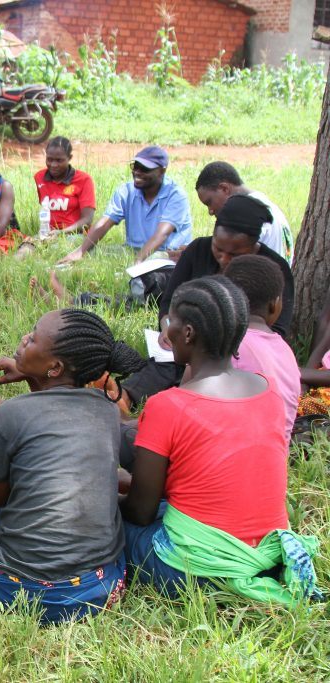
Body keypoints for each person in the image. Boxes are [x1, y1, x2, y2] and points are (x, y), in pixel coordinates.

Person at [120, 276, 322, 605]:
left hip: (195, 573)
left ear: (187, 334)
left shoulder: (167, 406)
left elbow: (140, 513)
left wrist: (108, 499)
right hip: (267, 559)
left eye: (170, 321)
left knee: (107, 522)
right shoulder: (267, 390)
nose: (167, 330)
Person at [0, 309, 145, 625]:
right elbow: (56, 424)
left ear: (55, 367)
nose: (25, 340)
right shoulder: (106, 411)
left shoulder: (9, 415)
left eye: (33, 337)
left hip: (17, 589)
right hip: (99, 588)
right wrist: (34, 377)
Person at [121, 194, 294, 410]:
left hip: (234, 356)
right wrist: (167, 328)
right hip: (186, 343)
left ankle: (177, 399)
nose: (223, 259)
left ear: (254, 244)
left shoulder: (271, 269)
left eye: (235, 253)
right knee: (164, 364)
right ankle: (124, 397)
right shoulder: (197, 250)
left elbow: (277, 329)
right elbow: (168, 303)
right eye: (218, 249)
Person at [59, 145, 192, 265]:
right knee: (89, 250)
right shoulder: (126, 191)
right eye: (135, 167)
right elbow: (105, 223)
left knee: (154, 261)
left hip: (167, 254)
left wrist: (138, 262)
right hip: (131, 250)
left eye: (145, 169)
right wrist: (80, 252)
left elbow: (161, 234)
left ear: (162, 171)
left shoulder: (176, 195)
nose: (137, 172)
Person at [223, 255, 299, 443]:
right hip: (275, 460)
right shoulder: (284, 350)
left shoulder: (228, 345)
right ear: (275, 304)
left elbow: (191, 406)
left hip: (230, 459)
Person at [195, 161, 292, 263]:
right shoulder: (262, 204)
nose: (210, 211)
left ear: (224, 188)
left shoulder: (248, 215)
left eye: (209, 202)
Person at [34, 136, 96, 233]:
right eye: (49, 159)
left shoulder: (84, 180)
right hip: (48, 233)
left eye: (59, 160)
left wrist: (61, 233)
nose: (53, 165)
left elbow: (87, 220)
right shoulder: (39, 177)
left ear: (69, 158)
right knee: (26, 247)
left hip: (75, 235)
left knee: (56, 247)